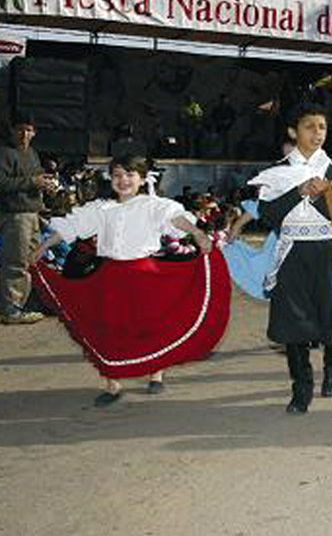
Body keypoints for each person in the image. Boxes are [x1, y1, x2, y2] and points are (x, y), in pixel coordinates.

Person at [30, 154, 231, 406]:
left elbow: (176, 219)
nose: (123, 180)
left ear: (142, 178)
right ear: (110, 178)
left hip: (145, 275)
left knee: (151, 324)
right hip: (109, 277)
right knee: (109, 327)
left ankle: (156, 373)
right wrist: (44, 246)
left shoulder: (153, 205)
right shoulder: (101, 208)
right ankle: (112, 383)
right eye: (117, 175)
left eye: (129, 174)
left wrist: (197, 233)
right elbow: (71, 226)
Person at [249, 103, 332, 415]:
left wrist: (323, 196)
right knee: (294, 322)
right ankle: (301, 388)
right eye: (310, 127)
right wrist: (299, 191)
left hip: (328, 252)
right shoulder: (277, 172)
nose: (317, 133)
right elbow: (267, 215)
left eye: (322, 127)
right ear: (294, 131)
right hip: (293, 253)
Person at [0, 112, 58, 324]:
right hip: (15, 216)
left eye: (29, 130)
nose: (24, 134)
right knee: (16, 263)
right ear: (12, 130)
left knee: (32, 261)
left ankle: (24, 303)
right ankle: (10, 310)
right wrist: (33, 182)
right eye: (20, 129)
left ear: (34, 132)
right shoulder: (5, 153)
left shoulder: (32, 153)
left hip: (33, 213)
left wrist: (46, 186)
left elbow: (35, 179)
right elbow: (3, 183)